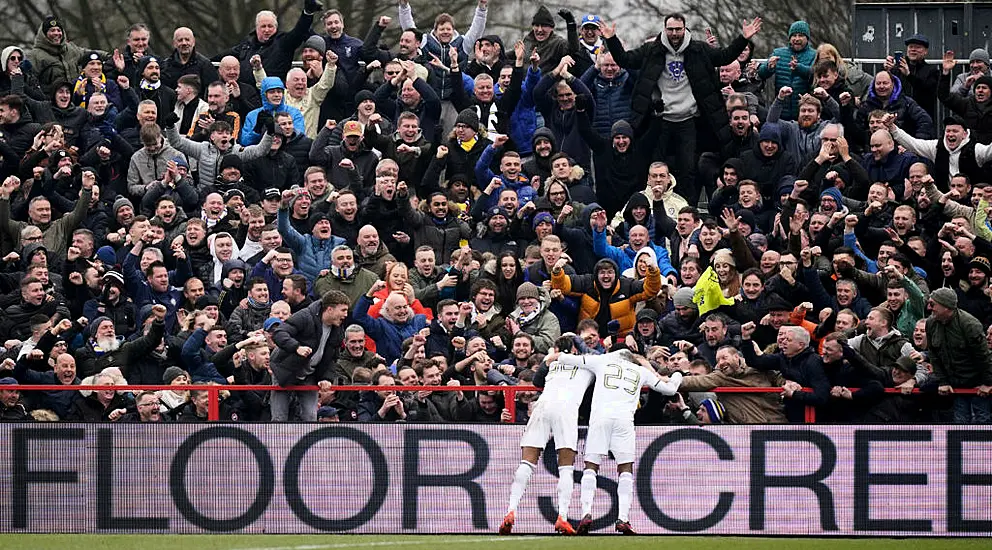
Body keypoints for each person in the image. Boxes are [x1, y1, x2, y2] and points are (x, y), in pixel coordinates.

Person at [553, 346, 682, 534]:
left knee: (591, 466)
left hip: (600, 418)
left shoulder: (601, 361)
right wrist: (677, 374)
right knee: (625, 468)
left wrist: (552, 356)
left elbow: (566, 359)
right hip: (624, 420)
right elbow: (670, 389)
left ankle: (586, 513)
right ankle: (623, 518)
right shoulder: (640, 370)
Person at [499, 337, 595, 536]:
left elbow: (536, 381)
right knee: (566, 466)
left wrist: (549, 359)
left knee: (527, 462)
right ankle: (562, 516)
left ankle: (510, 510)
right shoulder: (588, 365)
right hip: (566, 408)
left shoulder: (552, 365)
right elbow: (598, 357)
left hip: (542, 405)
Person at [269, 290, 350, 422]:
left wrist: (326, 378)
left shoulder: (338, 328)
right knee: (279, 418)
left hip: (309, 374)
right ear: (330, 309)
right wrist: (296, 347)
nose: (346, 315)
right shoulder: (305, 316)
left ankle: (307, 442)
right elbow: (279, 333)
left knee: (310, 417)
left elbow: (333, 358)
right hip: (284, 370)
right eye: (343, 310)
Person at [926, 288, 992, 423]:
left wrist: (988, 383)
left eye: (933, 304)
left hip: (977, 384)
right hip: (956, 385)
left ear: (945, 306)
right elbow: (934, 355)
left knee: (982, 422)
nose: (929, 308)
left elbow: (983, 356)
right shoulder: (931, 324)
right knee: (960, 423)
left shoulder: (969, 325)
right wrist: (943, 381)